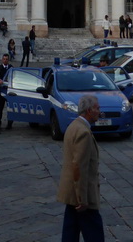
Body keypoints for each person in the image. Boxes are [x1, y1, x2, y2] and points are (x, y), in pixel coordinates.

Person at [56, 93, 104, 242]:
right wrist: (82, 199)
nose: (100, 111)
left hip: (71, 191)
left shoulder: (73, 126)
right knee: (94, 233)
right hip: (82, 194)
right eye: (97, 108)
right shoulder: (83, 132)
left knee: (70, 232)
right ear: (89, 111)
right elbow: (79, 167)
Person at [0, 53, 13, 130]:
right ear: (2, 60)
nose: (5, 60)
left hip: (9, 91)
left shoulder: (11, 68)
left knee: (10, 108)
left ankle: (10, 124)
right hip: (1, 91)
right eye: (4, 59)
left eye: (6, 59)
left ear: (8, 60)